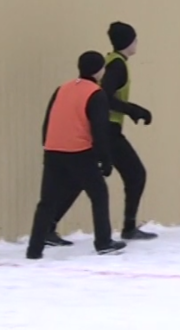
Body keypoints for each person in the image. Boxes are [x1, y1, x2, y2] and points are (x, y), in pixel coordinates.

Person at [47, 21, 156, 244]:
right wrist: (134, 110)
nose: (137, 43)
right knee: (136, 174)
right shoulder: (118, 66)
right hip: (107, 130)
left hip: (101, 128)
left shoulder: (111, 61)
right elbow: (104, 95)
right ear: (129, 42)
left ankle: (49, 227)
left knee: (80, 180)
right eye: (135, 39)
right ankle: (128, 227)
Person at [26, 51, 127, 259]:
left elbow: (48, 120)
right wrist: (105, 160)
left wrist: (47, 144)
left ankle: (34, 249)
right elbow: (99, 129)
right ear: (99, 71)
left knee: (46, 201)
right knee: (99, 194)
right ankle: (103, 242)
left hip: (53, 150)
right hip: (79, 151)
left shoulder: (62, 88)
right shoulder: (95, 93)